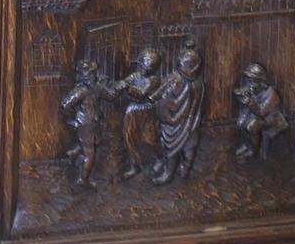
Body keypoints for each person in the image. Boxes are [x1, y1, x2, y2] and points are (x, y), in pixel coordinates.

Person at [153, 46, 205, 184]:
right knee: (187, 148)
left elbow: (169, 101)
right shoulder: (192, 81)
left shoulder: (182, 82)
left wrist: (163, 100)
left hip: (180, 122)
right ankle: (183, 169)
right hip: (185, 122)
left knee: (177, 148)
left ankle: (171, 173)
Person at [111, 48, 163, 179]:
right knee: (129, 138)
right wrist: (120, 85)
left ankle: (160, 159)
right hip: (132, 111)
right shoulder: (135, 76)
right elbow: (125, 83)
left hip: (147, 110)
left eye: (150, 65)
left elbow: (142, 94)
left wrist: (127, 88)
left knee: (151, 138)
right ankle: (135, 165)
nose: (146, 68)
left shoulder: (154, 79)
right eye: (144, 64)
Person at [60, 59, 107, 190]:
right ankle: (83, 179)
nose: (94, 75)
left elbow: (109, 95)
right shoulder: (80, 91)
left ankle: (72, 154)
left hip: (94, 123)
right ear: (85, 75)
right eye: (91, 73)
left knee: (93, 144)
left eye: (94, 73)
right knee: (90, 153)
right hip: (86, 125)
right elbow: (65, 106)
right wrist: (73, 121)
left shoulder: (95, 87)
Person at [232, 62, 290, 162]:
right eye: (248, 80)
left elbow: (262, 112)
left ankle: (253, 151)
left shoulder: (271, 94)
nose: (250, 84)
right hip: (258, 115)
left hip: (272, 119)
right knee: (241, 122)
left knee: (252, 126)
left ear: (260, 81)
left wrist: (250, 102)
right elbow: (242, 92)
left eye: (253, 81)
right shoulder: (253, 89)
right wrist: (241, 94)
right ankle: (247, 145)